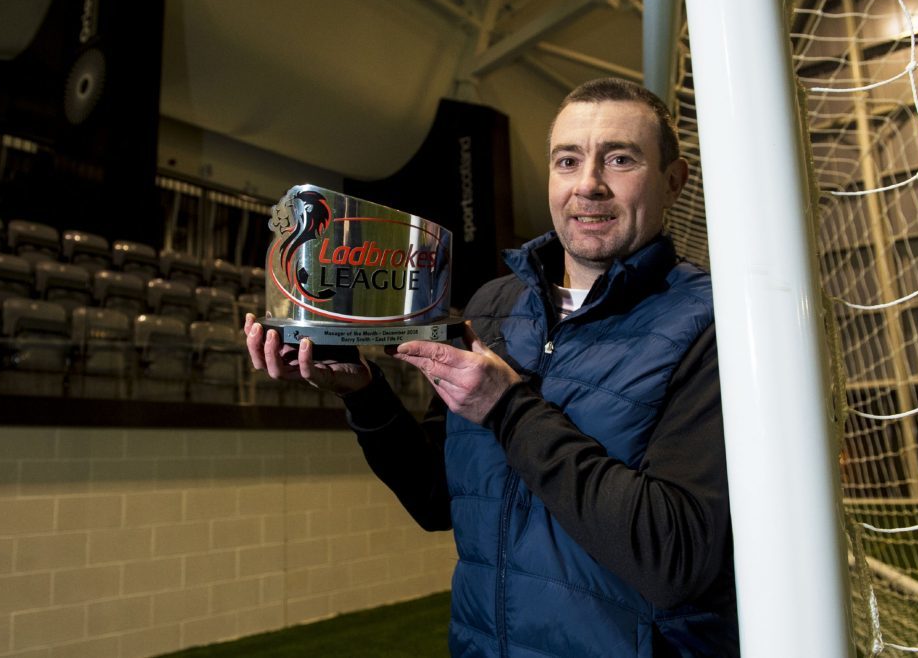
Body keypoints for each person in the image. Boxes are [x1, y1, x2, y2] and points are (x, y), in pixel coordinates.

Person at [245, 77, 738, 657]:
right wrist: (365, 394)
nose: (589, 185)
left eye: (620, 159)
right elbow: (439, 499)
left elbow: (672, 557)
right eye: (567, 160)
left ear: (673, 182)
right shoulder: (494, 307)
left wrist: (508, 407)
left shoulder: (712, 325)